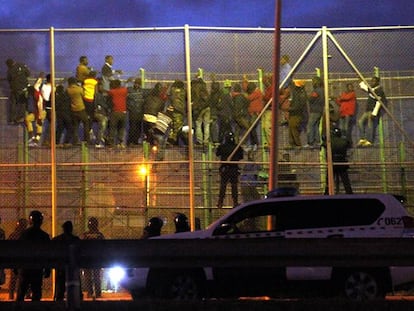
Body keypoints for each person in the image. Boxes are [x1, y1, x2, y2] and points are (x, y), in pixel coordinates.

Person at [16, 210, 51, 302]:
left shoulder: (24, 234)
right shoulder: (44, 236)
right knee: (36, 292)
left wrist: (16, 267)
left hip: (25, 267)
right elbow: (48, 254)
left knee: (21, 292)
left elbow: (18, 251)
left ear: (30, 221)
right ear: (41, 221)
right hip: (37, 267)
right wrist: (47, 269)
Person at [52, 221, 81, 301]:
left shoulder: (57, 240)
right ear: (71, 229)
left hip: (61, 266)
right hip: (73, 266)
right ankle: (76, 299)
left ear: (63, 229)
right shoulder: (75, 240)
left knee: (60, 285)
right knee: (75, 284)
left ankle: (59, 300)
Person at [357, 76, 387, 147]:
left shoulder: (379, 90)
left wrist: (374, 113)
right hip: (368, 110)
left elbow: (378, 102)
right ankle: (363, 138)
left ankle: (369, 140)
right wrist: (361, 81)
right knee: (360, 122)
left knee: (370, 125)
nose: (372, 82)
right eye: (372, 81)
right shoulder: (372, 89)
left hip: (372, 110)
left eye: (374, 81)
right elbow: (365, 87)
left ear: (377, 82)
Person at [216, 131, 244, 208]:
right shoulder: (237, 147)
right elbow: (241, 157)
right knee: (234, 186)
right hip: (234, 169)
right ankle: (235, 202)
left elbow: (217, 153)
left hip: (225, 169)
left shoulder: (222, 146)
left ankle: (220, 202)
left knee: (223, 186)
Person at [324, 127, 353, 195]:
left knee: (329, 180)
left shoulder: (329, 141)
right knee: (345, 180)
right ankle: (349, 193)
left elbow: (324, 145)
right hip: (342, 162)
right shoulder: (344, 141)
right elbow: (349, 144)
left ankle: (327, 193)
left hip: (332, 162)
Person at [81, 217, 104, 299]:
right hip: (96, 258)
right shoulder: (99, 235)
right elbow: (103, 246)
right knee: (95, 276)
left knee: (89, 277)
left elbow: (81, 246)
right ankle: (97, 293)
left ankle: (91, 292)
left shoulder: (85, 235)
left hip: (88, 258)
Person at [7, 218, 28, 300]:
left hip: (15, 259)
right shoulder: (26, 235)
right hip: (22, 260)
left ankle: (12, 296)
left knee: (15, 279)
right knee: (21, 279)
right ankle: (20, 296)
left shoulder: (15, 234)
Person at [5, 58, 30, 124]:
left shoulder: (10, 70)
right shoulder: (22, 65)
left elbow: (9, 79)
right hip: (23, 88)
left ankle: (12, 119)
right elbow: (28, 74)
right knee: (22, 103)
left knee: (13, 104)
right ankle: (20, 117)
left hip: (14, 89)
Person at [67, 76, 91, 145]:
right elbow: (84, 95)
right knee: (86, 124)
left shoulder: (68, 90)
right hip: (81, 109)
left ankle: (75, 141)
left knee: (75, 126)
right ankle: (87, 140)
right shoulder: (79, 89)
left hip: (73, 109)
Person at [107, 79, 128, 148]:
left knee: (112, 128)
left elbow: (108, 95)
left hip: (115, 112)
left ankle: (111, 143)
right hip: (123, 112)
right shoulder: (124, 90)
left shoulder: (111, 92)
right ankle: (120, 142)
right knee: (122, 128)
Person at [305, 76, 324, 148]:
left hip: (315, 110)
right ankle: (318, 141)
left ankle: (310, 142)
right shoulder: (322, 90)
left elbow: (311, 98)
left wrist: (308, 96)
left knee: (310, 126)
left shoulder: (317, 91)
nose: (312, 83)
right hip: (319, 110)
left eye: (313, 82)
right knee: (316, 126)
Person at [288, 80, 307, 148]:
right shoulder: (298, 93)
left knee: (293, 126)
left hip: (297, 113)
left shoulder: (300, 93)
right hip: (295, 113)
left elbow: (298, 105)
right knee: (291, 127)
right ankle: (293, 143)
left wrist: (290, 109)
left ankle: (297, 144)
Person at [127, 78, 146, 146]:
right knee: (133, 127)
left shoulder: (141, 92)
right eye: (136, 83)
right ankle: (130, 141)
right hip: (133, 111)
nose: (137, 85)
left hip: (139, 112)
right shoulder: (130, 90)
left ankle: (135, 141)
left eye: (138, 84)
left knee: (138, 127)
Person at [279, 54, 292, 126]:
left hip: (284, 87)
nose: (280, 61)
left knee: (284, 102)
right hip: (283, 87)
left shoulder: (287, 67)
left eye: (282, 59)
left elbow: (287, 78)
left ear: (285, 60)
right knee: (283, 103)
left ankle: (287, 118)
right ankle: (286, 118)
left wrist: (283, 86)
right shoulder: (284, 68)